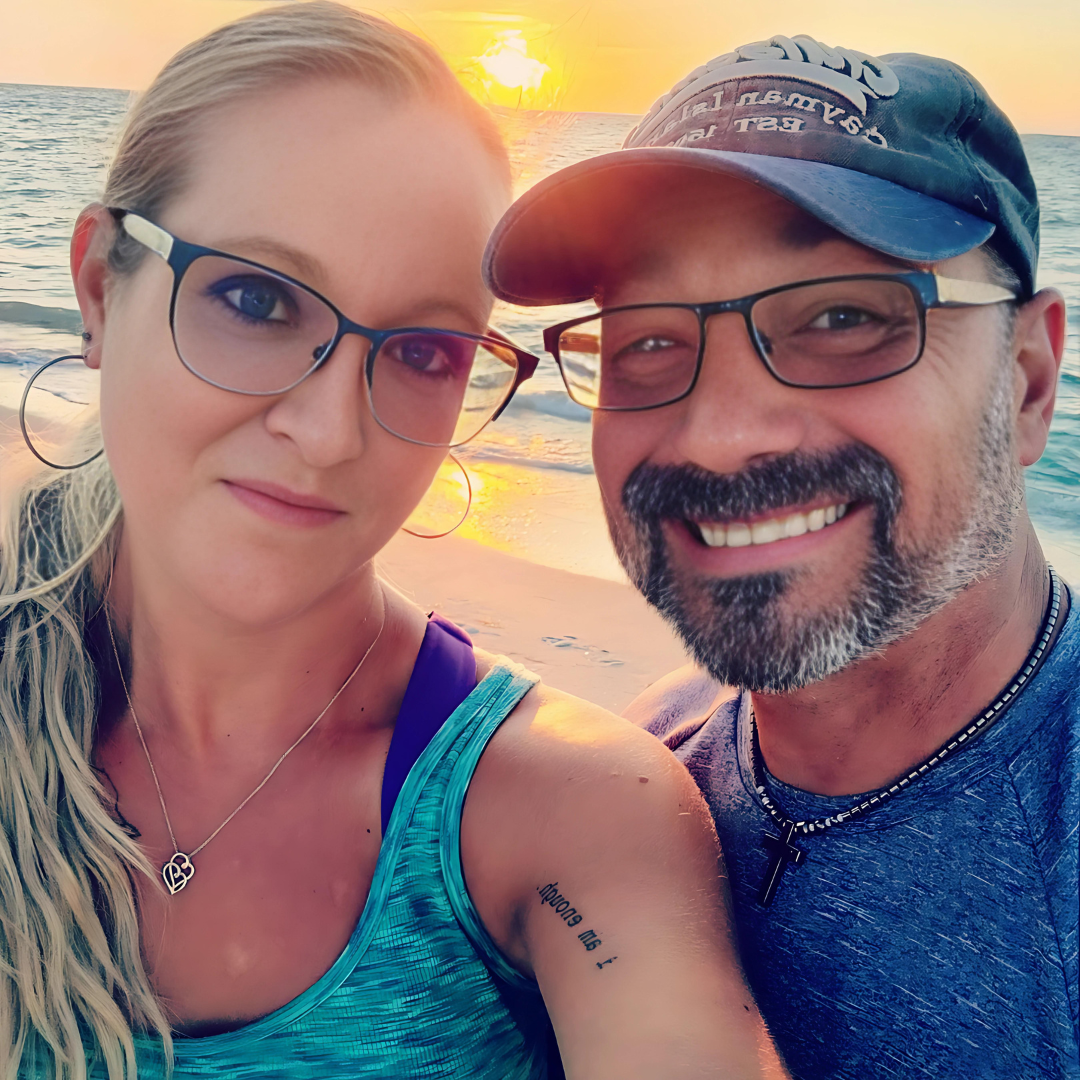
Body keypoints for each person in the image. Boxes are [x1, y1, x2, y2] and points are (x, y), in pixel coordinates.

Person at [0, 6, 791, 1078]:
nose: (329, 433)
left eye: (422, 349)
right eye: (254, 297)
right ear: (100, 286)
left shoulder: (562, 809)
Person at [483, 35, 1077, 1079]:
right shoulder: (641, 776)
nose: (719, 436)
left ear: (1026, 380)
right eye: (650, 340)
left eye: (844, 318)